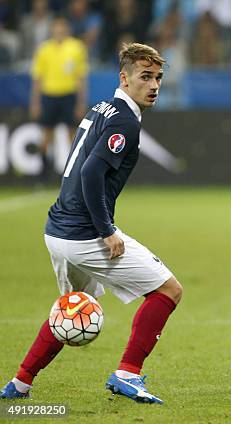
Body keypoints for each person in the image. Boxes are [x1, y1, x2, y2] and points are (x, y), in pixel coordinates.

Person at [1, 43, 182, 405]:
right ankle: (127, 374)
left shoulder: (102, 106)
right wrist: (106, 230)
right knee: (168, 291)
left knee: (71, 306)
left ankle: (20, 382)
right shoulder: (125, 120)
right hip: (85, 234)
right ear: (124, 77)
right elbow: (91, 171)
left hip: (57, 231)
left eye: (158, 78)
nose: (154, 85)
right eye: (145, 77)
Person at [30, 15, 88, 180]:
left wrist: (80, 102)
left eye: (62, 27)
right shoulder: (44, 49)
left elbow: (81, 78)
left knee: (73, 136)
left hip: (69, 95)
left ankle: (77, 174)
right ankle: (42, 175)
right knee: (47, 136)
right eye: (57, 27)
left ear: (67, 29)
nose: (59, 30)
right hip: (49, 95)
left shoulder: (76, 48)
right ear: (52, 29)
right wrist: (35, 102)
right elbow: (38, 78)